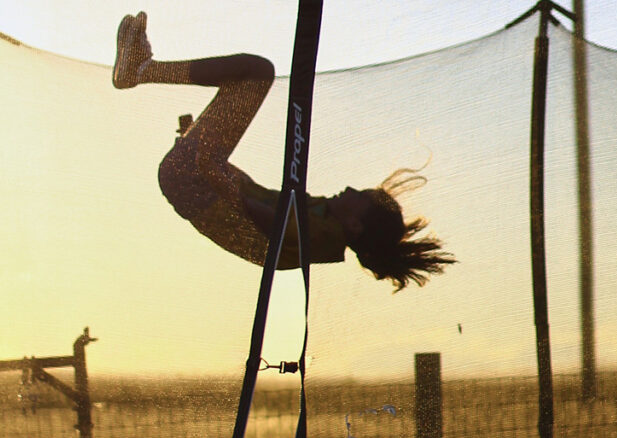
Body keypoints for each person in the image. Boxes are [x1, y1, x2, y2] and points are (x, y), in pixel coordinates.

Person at [112, 12, 454, 291]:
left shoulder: (321, 237)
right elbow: (259, 207)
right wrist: (204, 149)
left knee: (257, 72)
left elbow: (265, 222)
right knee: (248, 78)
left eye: (358, 196)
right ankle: (142, 70)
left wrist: (215, 173)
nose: (348, 189)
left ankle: (142, 70)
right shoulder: (326, 221)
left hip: (199, 185)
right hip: (199, 183)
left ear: (355, 224)